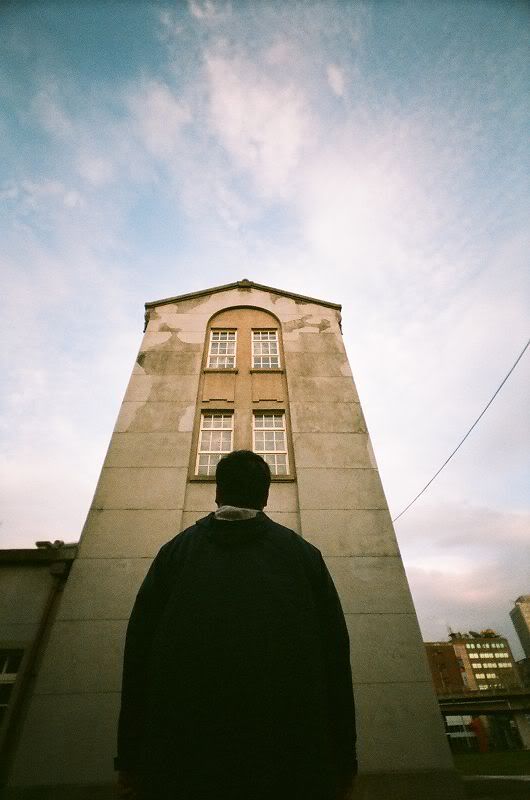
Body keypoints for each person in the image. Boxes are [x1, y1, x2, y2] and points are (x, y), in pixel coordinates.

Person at [115, 450, 357, 800]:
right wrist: (344, 761)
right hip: (287, 764)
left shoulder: (174, 554)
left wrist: (129, 757)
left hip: (184, 762)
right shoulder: (303, 556)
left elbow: (138, 658)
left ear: (217, 492)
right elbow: (335, 661)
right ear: (265, 495)